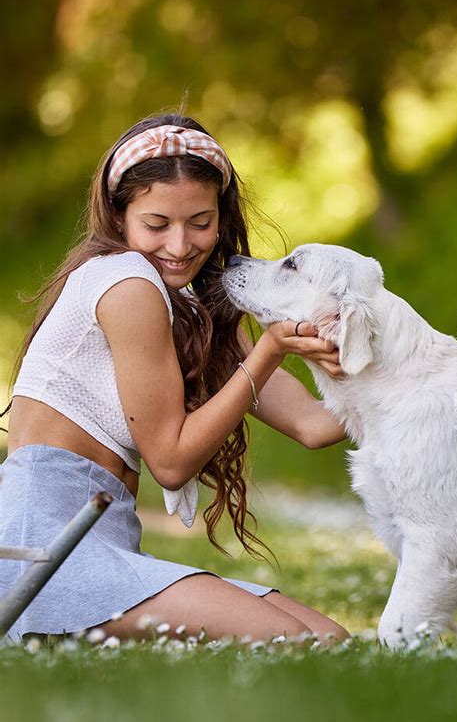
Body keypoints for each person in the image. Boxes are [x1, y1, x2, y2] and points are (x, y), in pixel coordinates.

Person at [0, 112, 350, 645]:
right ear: (120, 218)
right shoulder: (127, 283)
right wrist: (271, 348)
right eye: (158, 225)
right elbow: (169, 460)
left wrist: (421, 380)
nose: (182, 245)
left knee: (331, 640)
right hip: (45, 545)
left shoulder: (188, 304)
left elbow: (314, 424)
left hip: (102, 538)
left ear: (221, 216)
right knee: (300, 643)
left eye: (201, 222)